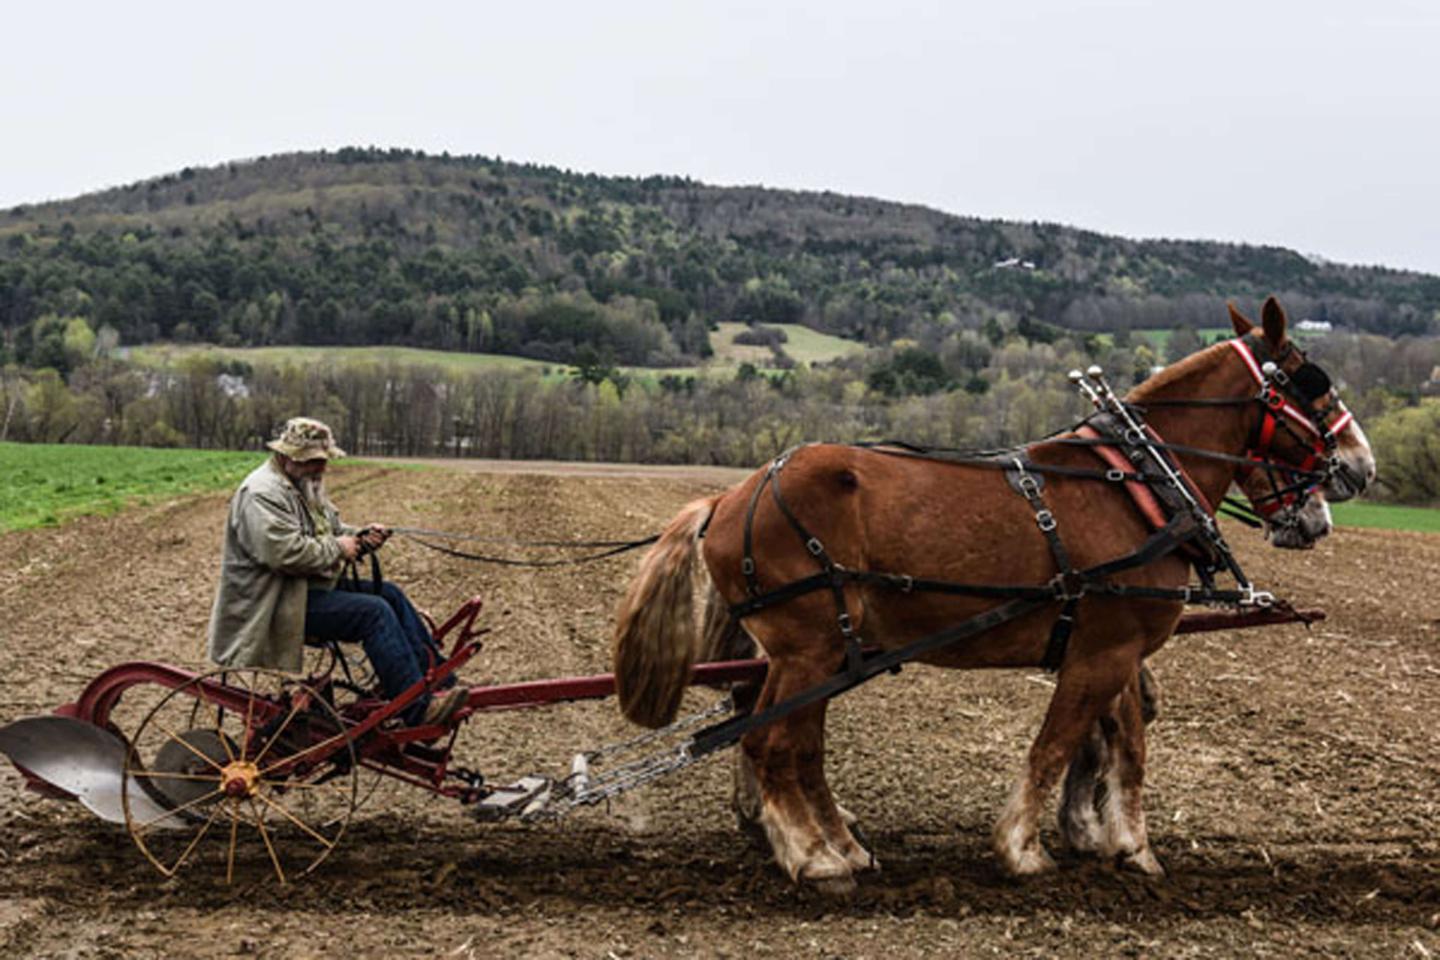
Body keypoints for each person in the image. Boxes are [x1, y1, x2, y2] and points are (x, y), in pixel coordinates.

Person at [207, 417, 467, 727]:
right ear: (289, 456)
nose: (321, 468)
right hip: (272, 604)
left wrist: (361, 537)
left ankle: (440, 684)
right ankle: (415, 710)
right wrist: (339, 548)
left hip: (301, 590)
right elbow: (283, 553)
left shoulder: (301, 483)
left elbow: (331, 530)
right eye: (314, 461)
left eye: (323, 460)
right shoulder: (261, 493)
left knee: (390, 594)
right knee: (373, 612)